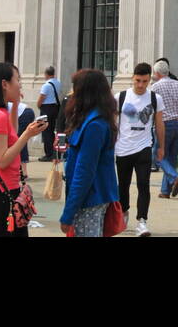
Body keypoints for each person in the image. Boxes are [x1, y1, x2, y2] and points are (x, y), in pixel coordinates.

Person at [0, 62, 47, 238]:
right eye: (17, 79)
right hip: (0, 190)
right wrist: (27, 135)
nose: (20, 84)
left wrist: (15, 104)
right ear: (4, 84)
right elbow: (2, 159)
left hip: (1, 189)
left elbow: (11, 134)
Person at [60, 69, 121, 238]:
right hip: (91, 197)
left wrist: (69, 212)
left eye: (75, 89)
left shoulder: (94, 125)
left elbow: (84, 171)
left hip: (89, 199)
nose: (72, 94)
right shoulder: (93, 120)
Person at [115, 62, 167, 236]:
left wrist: (161, 147)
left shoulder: (155, 98)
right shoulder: (120, 97)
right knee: (123, 185)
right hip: (123, 147)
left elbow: (160, 125)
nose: (140, 85)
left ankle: (142, 221)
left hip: (144, 146)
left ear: (149, 80)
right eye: (138, 80)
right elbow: (113, 124)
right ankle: (123, 212)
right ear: (132, 78)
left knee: (143, 185)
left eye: (144, 81)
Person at [151, 59, 178, 199]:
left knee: (157, 154)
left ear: (156, 73)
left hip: (165, 124)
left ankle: (174, 177)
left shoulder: (155, 87)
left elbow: (151, 109)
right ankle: (165, 191)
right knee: (171, 158)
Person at [37, 66, 64, 161]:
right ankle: (55, 152)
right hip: (55, 107)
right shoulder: (58, 83)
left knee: (46, 131)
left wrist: (38, 105)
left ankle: (48, 154)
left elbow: (41, 97)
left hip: (46, 108)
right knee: (53, 130)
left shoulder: (46, 85)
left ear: (46, 74)